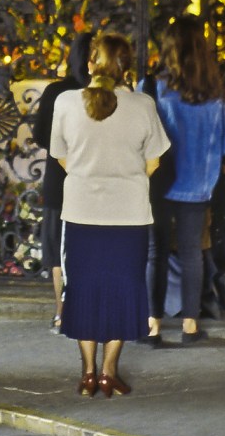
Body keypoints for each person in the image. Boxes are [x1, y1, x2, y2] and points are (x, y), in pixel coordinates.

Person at [49, 31, 169, 398]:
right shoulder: (143, 105)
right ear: (125, 68)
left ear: (90, 64)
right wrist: (125, 177)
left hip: (81, 212)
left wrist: (89, 174)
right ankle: (108, 373)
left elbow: (60, 155)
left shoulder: (66, 102)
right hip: (129, 216)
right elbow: (154, 161)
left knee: (82, 289)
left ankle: (86, 374)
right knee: (123, 289)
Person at [140, 15, 225, 345]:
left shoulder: (154, 87)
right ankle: (190, 327)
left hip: (158, 183)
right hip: (198, 185)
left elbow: (139, 133)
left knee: (154, 253)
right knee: (192, 252)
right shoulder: (217, 93)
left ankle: (152, 326)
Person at [31, 31, 92, 333]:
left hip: (60, 177)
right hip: (94, 179)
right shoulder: (106, 93)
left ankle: (61, 312)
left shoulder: (57, 92)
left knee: (57, 249)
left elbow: (40, 135)